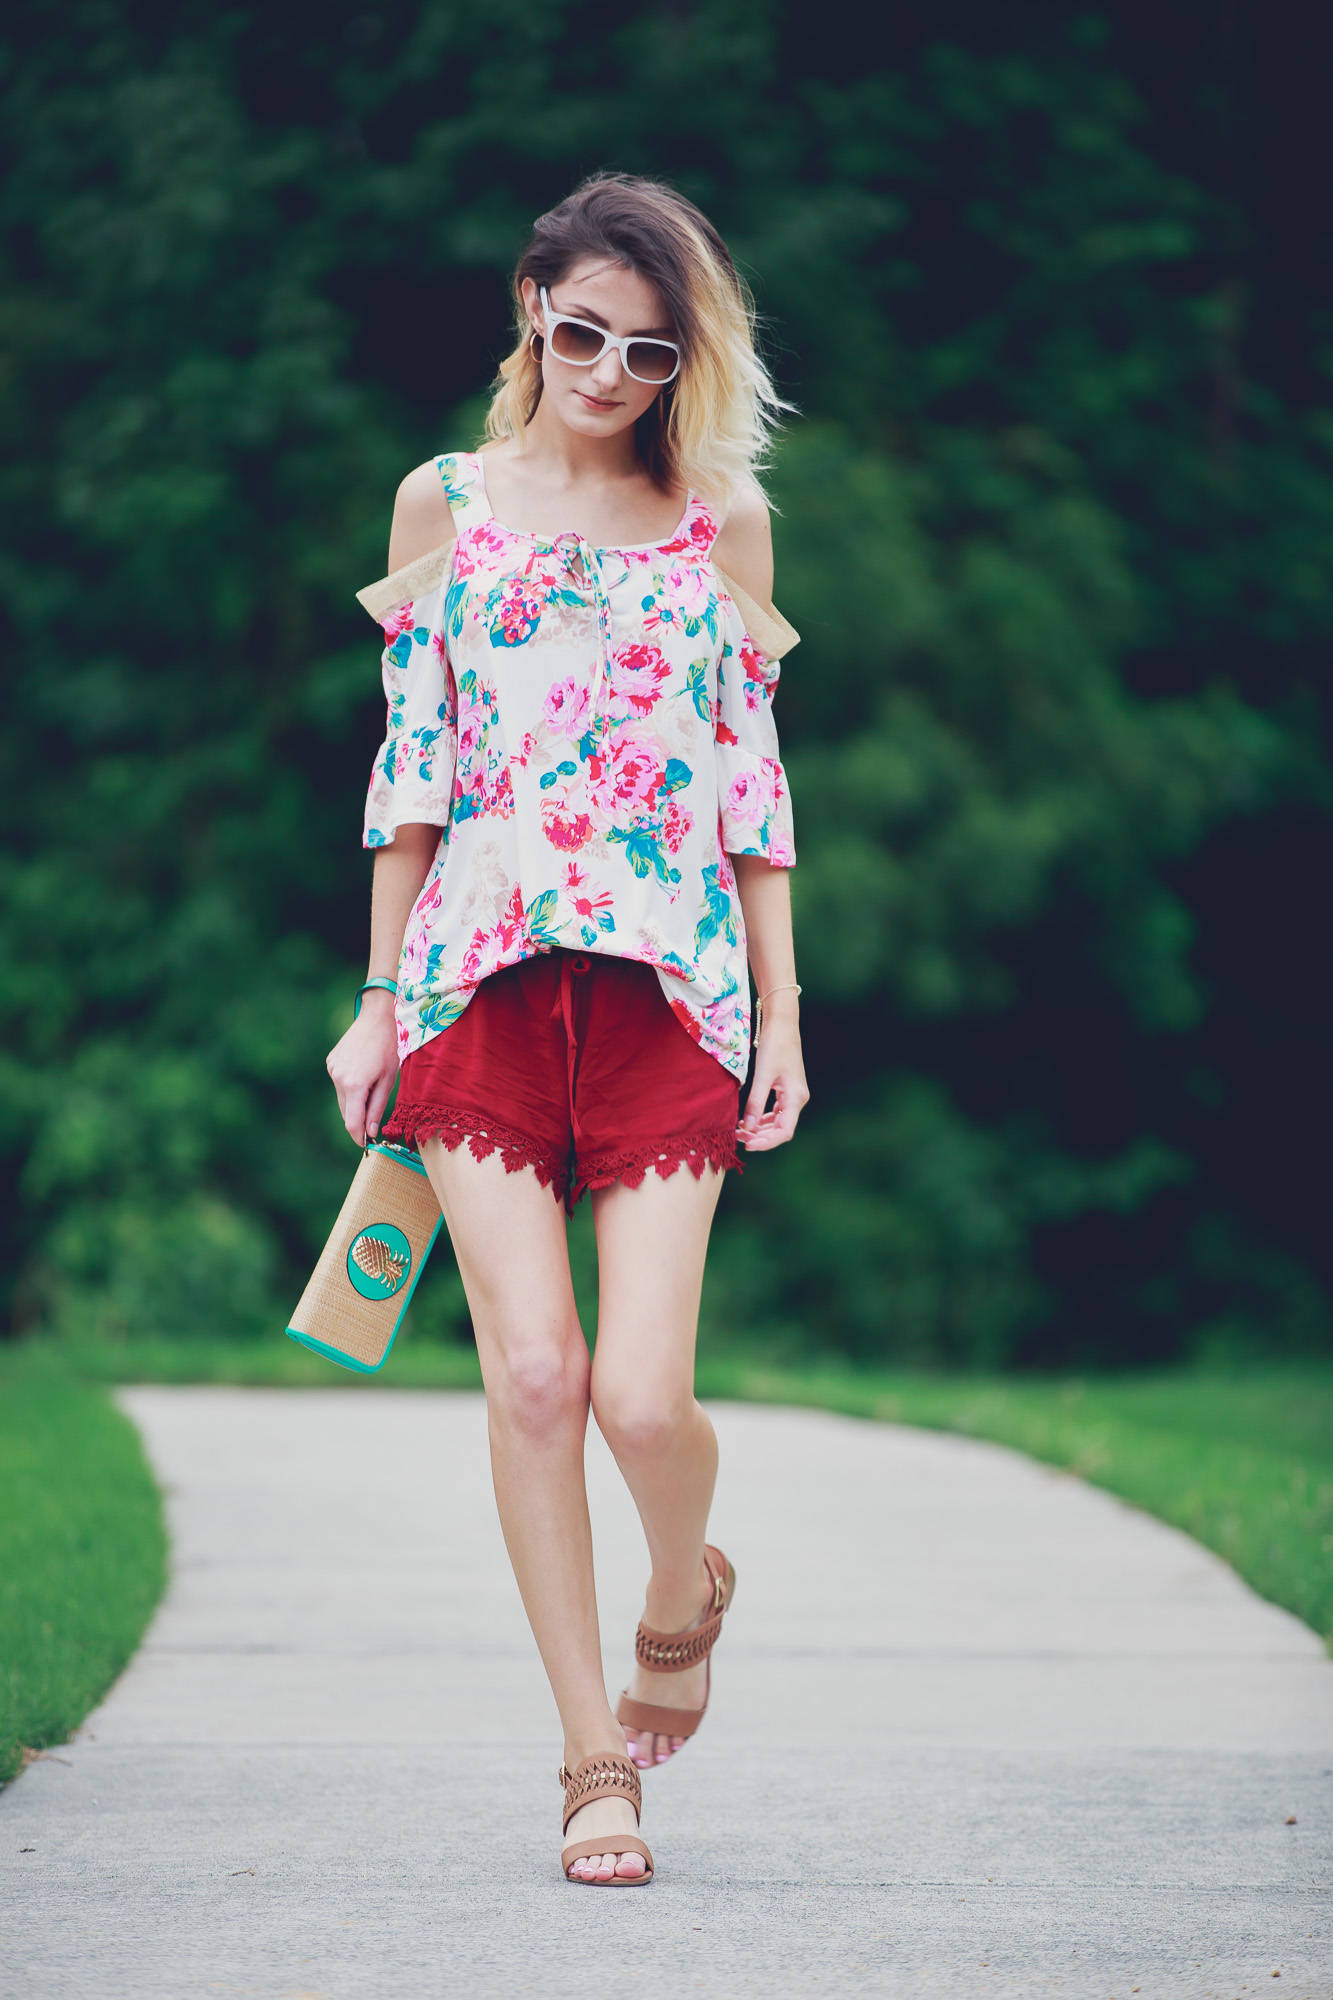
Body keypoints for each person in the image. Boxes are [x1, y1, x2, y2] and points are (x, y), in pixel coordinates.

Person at [326, 172, 807, 1886]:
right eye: (582, 327)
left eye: (647, 345)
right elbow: (415, 776)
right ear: (533, 306)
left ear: (685, 357)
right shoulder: (440, 503)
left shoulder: (718, 525)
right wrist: (379, 1001)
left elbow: (752, 795)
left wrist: (782, 1016)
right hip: (480, 980)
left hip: (674, 986)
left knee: (640, 1395)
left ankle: (684, 1590)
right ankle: (589, 1762)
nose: (607, 367)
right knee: (534, 1378)